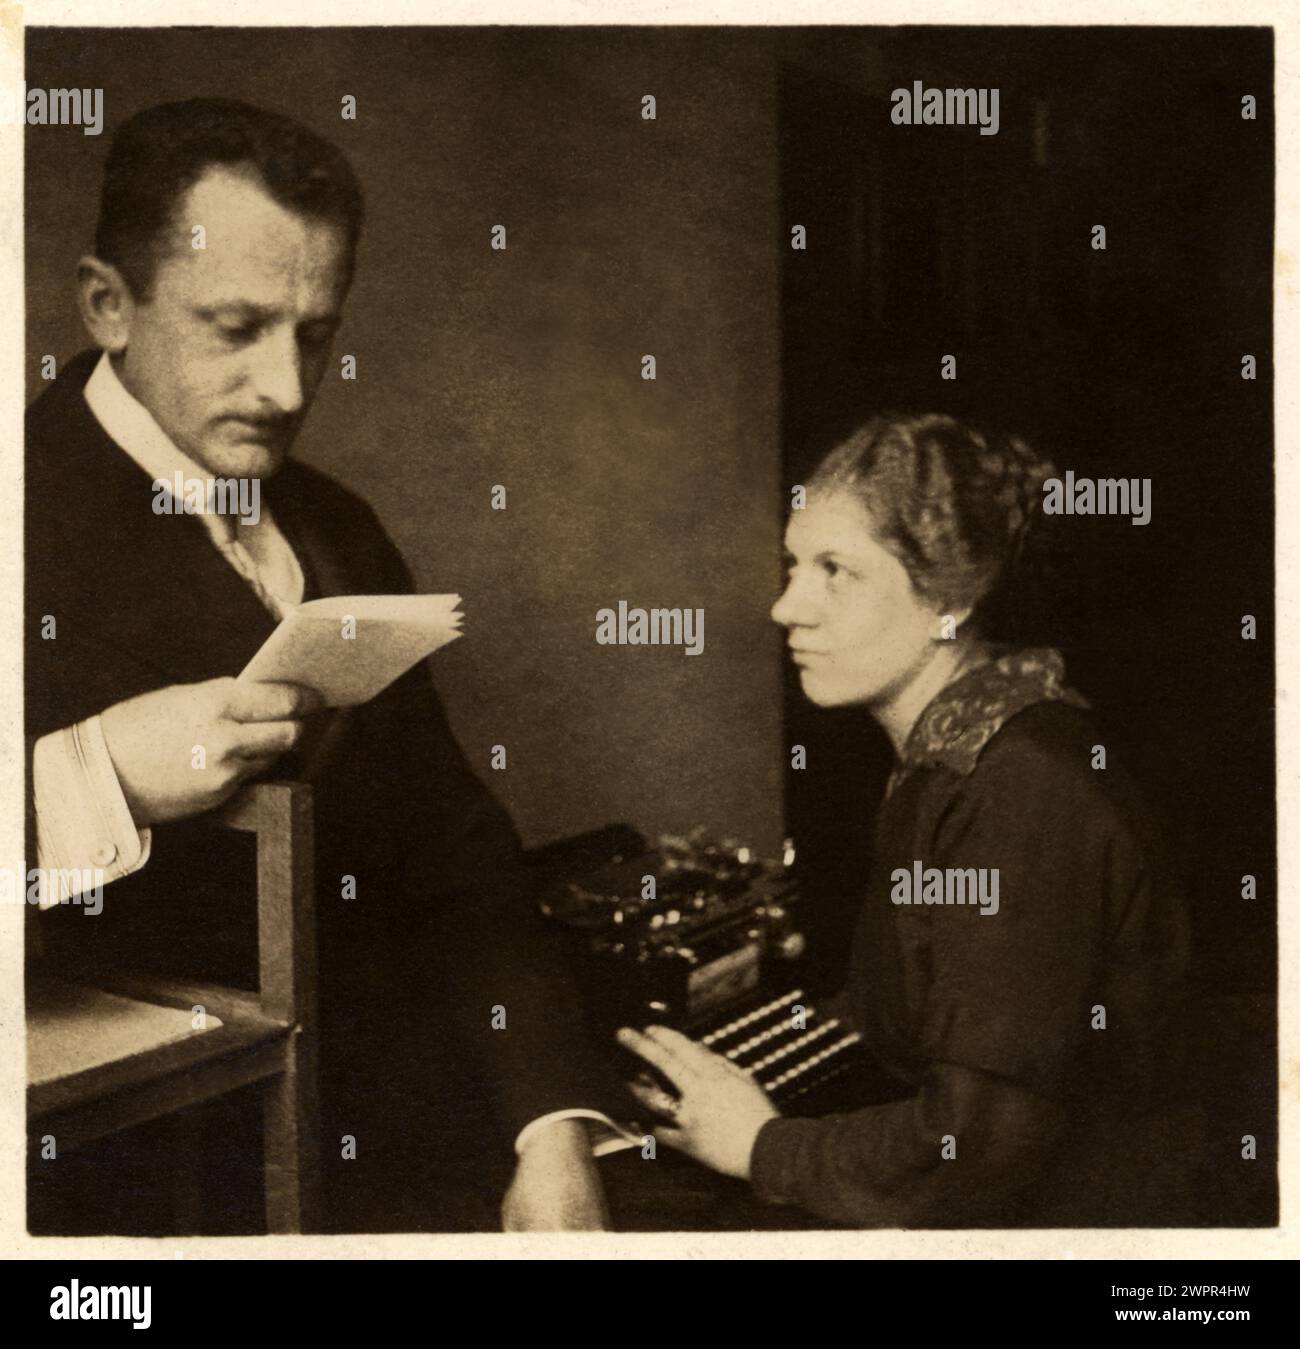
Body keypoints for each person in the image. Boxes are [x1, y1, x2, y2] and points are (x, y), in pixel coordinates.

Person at [26, 97, 619, 1233]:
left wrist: (552, 1124)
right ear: (108, 303)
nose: (288, 389)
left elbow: (456, 850)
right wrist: (95, 772)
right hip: (135, 1193)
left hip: (405, 1154)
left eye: (316, 335)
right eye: (236, 327)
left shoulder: (337, 524)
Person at [617, 413, 1194, 1227]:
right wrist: (743, 1070)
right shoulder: (954, 747)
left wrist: (759, 1144)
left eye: (834, 571)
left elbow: (981, 1146)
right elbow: (913, 1004)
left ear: (949, 601)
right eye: (793, 564)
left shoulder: (1016, 790)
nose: (787, 606)